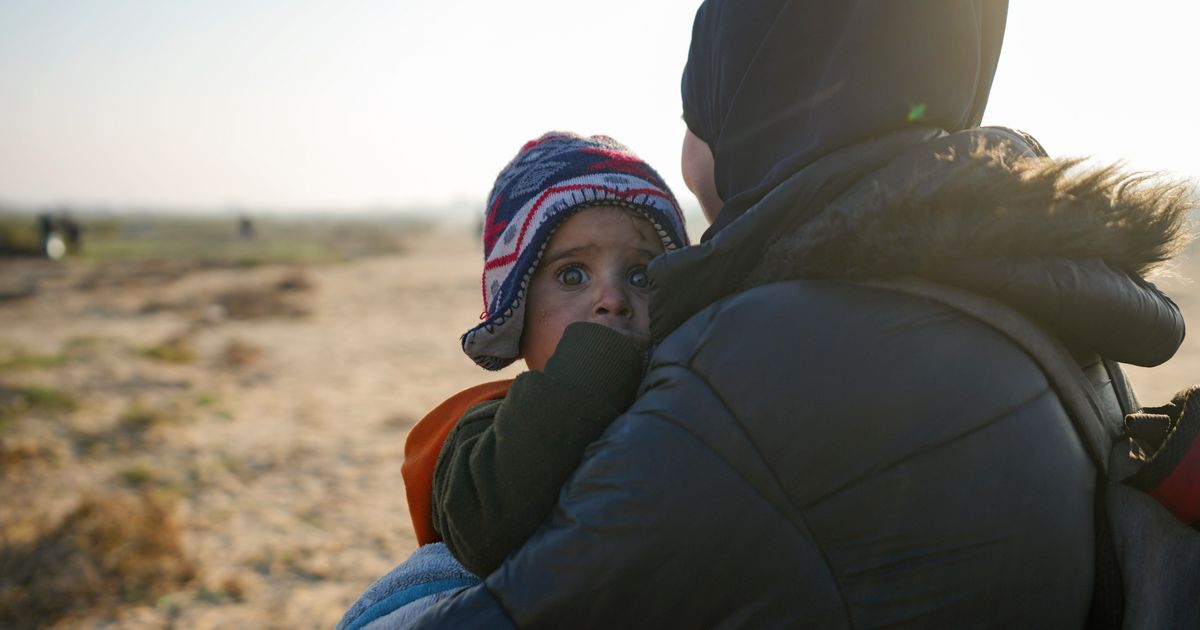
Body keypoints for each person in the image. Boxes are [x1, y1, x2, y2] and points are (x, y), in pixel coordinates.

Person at [411, 1, 1192, 627]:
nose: (690, 151)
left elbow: (515, 603)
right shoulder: (1020, 282)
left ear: (761, 101)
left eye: (700, 112)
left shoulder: (763, 356)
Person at [335, 132, 689, 629]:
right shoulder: (483, 426)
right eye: (572, 276)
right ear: (517, 314)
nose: (612, 299)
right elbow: (486, 532)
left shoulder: (692, 400)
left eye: (640, 275)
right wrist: (587, 376)